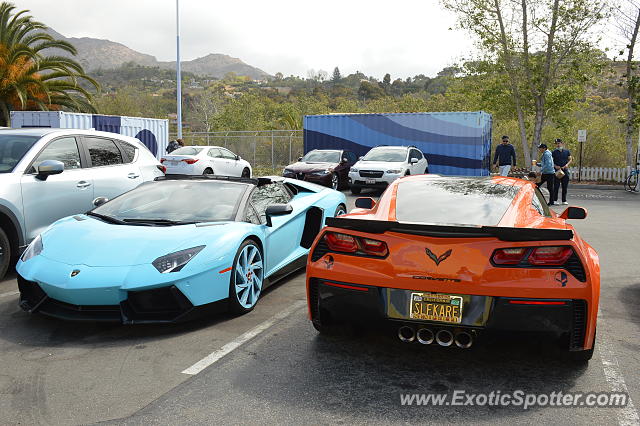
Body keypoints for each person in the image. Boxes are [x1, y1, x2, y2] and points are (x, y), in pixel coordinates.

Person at [552, 138, 572, 205]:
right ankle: (555, 200)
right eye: (556, 144)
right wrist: (555, 166)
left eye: (558, 143)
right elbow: (551, 161)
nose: (557, 145)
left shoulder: (567, 151)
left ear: (562, 143)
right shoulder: (554, 152)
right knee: (556, 186)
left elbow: (570, 159)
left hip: (565, 170)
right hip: (557, 171)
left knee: (565, 186)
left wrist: (567, 165)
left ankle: (564, 200)